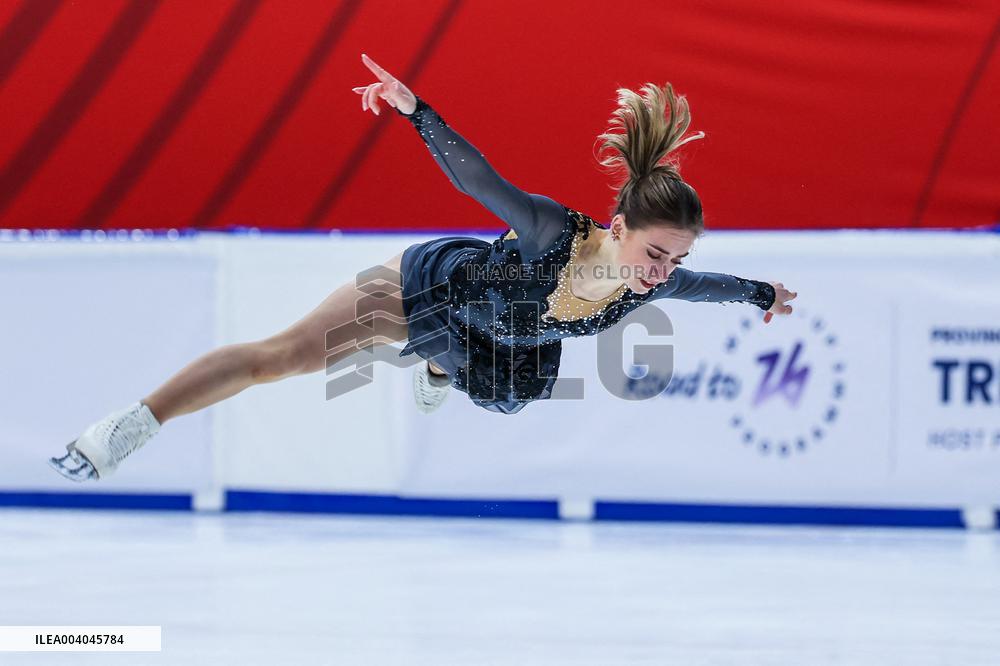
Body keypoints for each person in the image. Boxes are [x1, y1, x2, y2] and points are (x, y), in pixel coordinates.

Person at [48, 53, 796, 482]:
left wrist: (761, 292)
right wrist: (416, 111)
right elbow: (480, 181)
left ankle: (440, 370)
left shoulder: (644, 285)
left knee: (515, 396)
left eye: (678, 258)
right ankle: (127, 426)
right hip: (430, 290)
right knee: (286, 356)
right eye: (656, 252)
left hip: (507, 346)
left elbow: (709, 287)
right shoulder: (549, 233)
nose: (665, 271)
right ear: (618, 226)